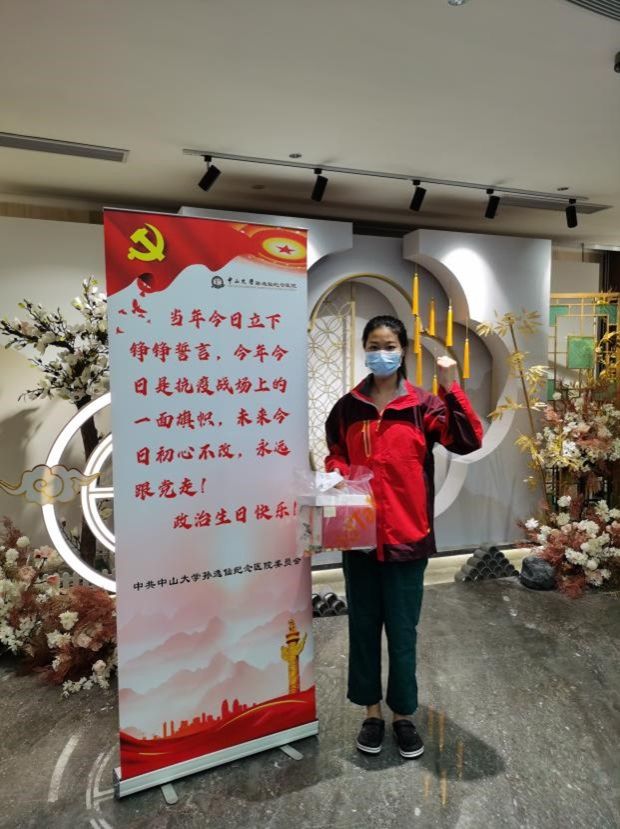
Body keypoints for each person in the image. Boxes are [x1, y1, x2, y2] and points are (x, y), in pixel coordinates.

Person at [324, 314, 483, 758]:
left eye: (389, 346)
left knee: (402, 630)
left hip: (408, 537)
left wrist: (451, 387)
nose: (382, 353)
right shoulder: (348, 408)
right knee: (362, 627)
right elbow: (335, 454)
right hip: (359, 537)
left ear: (403, 351)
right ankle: (371, 713)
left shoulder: (424, 406)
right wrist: (338, 475)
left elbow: (468, 441)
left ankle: (403, 715)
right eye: (374, 345)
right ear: (365, 349)